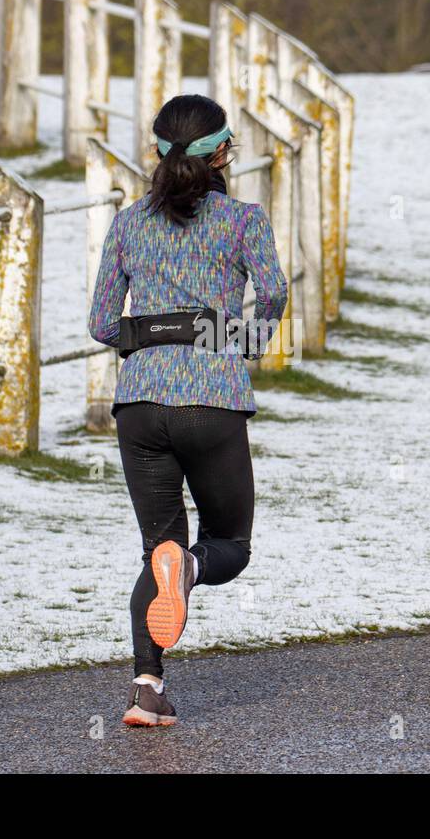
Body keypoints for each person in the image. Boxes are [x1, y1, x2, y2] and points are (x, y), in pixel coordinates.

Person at [87, 93, 288, 727]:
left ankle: (147, 690)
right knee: (229, 543)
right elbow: (275, 292)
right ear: (222, 152)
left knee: (157, 547)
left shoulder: (126, 224)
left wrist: (146, 341)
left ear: (157, 153)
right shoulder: (244, 221)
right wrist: (241, 344)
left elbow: (99, 325)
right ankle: (192, 567)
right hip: (213, 400)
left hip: (140, 406)